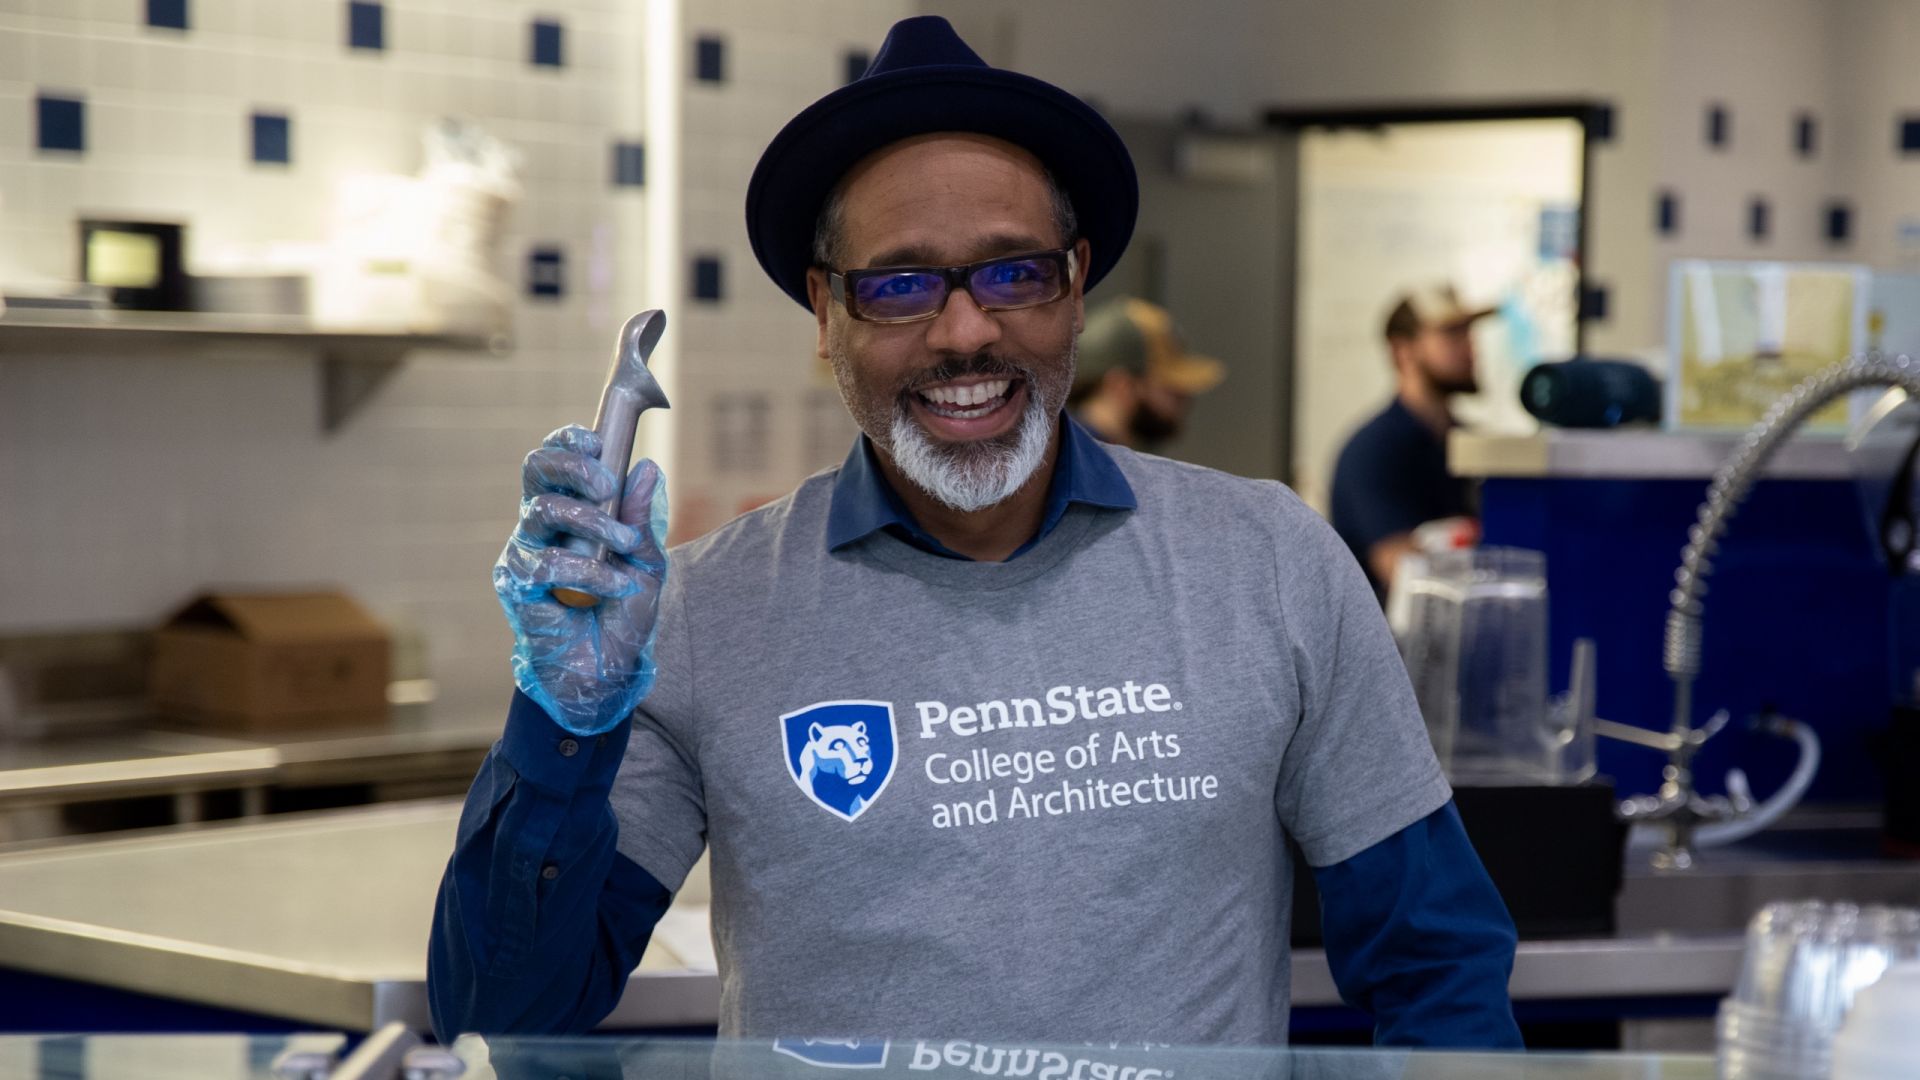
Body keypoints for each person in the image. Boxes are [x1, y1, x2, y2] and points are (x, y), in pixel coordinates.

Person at [428, 16, 1521, 1049]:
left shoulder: (1270, 563)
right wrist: (562, 724)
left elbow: (1437, 965)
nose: (965, 332)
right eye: (900, 285)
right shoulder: (704, 615)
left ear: (1077, 284)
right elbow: (507, 1007)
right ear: (826, 311)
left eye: (1013, 273)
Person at [1329, 285, 1492, 600]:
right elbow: (1403, 572)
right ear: (1403, 350)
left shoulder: (1470, 443)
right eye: (1451, 333)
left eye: (1469, 331)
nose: (1470, 345)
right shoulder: (1373, 450)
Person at [1069, 296, 1224, 450]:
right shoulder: (1086, 463)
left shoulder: (1084, 452)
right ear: (1121, 386)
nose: (1186, 398)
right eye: (1171, 388)